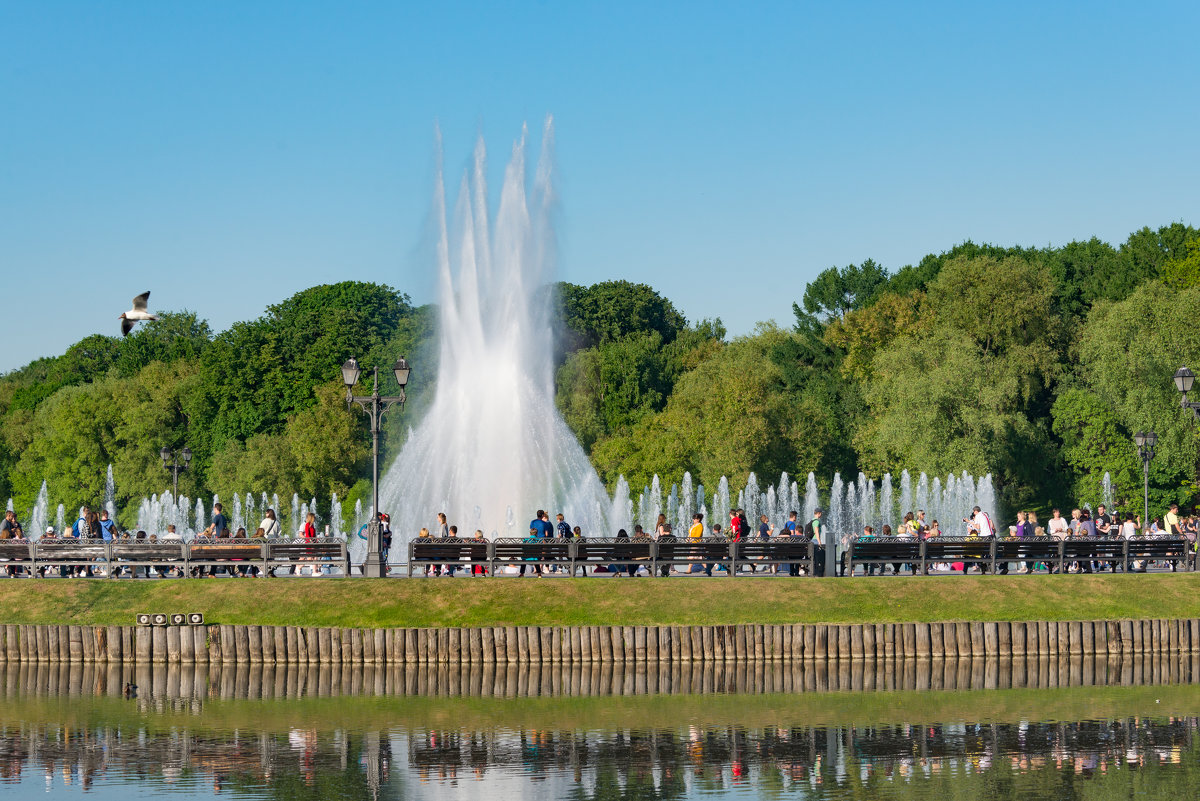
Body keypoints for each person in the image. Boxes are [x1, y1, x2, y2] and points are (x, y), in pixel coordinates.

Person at [807, 508, 825, 577]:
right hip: (815, 541)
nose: (821, 514)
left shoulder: (812, 520)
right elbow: (816, 531)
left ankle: (815, 571)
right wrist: (819, 542)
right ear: (819, 513)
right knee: (817, 558)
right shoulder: (816, 521)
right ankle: (816, 572)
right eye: (821, 513)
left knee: (814, 557)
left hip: (812, 541)